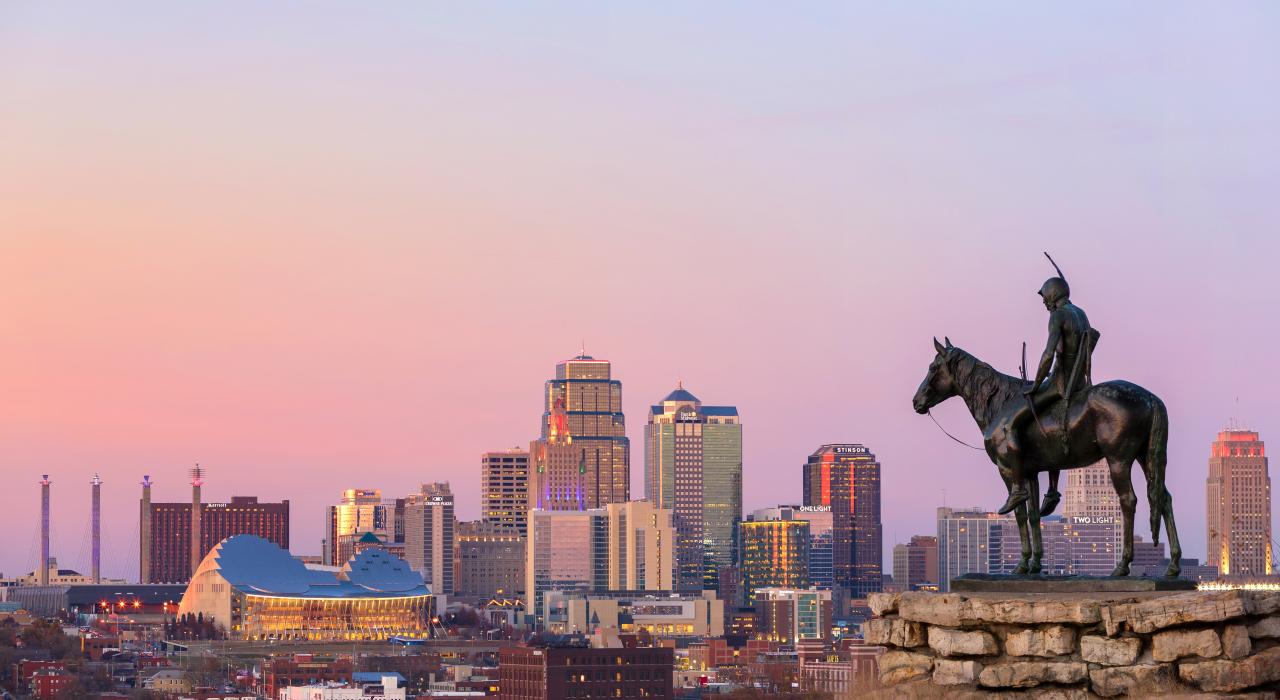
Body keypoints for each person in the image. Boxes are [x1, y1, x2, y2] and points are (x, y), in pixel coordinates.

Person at [995, 263, 1099, 516]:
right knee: (1046, 426)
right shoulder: (1081, 313)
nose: (1043, 304)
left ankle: (1018, 488)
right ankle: (1052, 491)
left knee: (1010, 425)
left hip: (1060, 383)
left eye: (1045, 297)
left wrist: (1035, 385)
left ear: (1053, 294)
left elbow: (1049, 354)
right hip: (1080, 384)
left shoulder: (1058, 316)